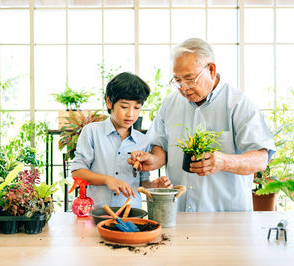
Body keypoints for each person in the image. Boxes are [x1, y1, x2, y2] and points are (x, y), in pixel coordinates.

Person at [128, 38, 276, 212]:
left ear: (211, 70)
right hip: (179, 214)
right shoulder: (170, 104)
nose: (183, 88)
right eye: (177, 80)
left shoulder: (238, 105)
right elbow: (160, 146)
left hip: (227, 218)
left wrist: (222, 161)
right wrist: (153, 160)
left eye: (190, 79)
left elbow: (260, 160)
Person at [70, 72, 172, 209]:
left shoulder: (143, 140)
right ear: (109, 102)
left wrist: (153, 186)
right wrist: (108, 180)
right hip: (97, 213)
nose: (131, 114)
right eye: (124, 107)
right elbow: (77, 171)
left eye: (137, 108)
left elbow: (142, 182)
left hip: (131, 213)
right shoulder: (92, 132)